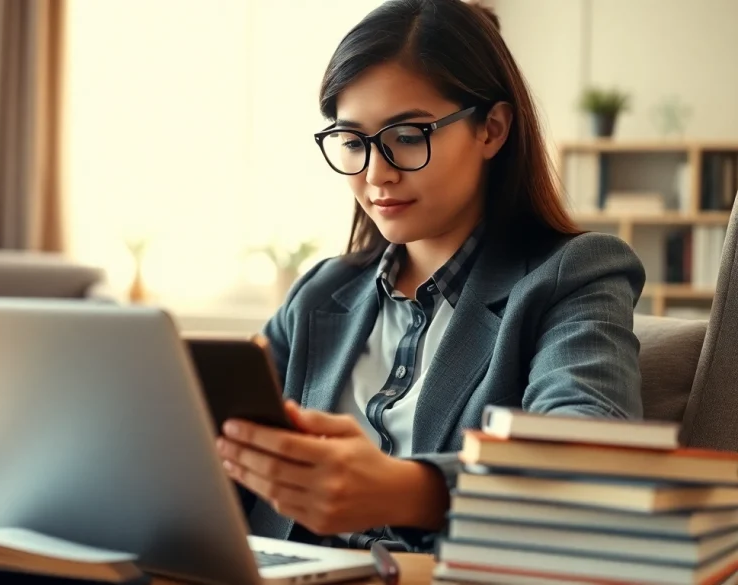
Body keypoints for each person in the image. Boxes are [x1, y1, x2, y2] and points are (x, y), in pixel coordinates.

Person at [215, 0, 645, 552]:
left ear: (491, 130)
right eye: (352, 140)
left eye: (408, 135)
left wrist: (408, 493)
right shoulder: (322, 291)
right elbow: (215, 442)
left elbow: (593, 460)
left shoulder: (575, 276)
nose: (376, 173)